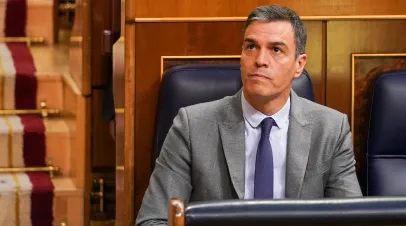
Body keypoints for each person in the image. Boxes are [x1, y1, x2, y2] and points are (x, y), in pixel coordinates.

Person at [135, 4, 362, 226]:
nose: (260, 60)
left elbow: (353, 220)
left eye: (276, 49)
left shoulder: (331, 129)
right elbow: (154, 219)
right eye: (251, 47)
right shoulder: (192, 126)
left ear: (299, 65)